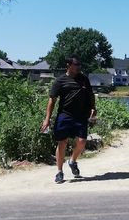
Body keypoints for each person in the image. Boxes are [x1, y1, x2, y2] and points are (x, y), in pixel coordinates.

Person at [41, 56, 97, 184]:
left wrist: (93, 108)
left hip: (81, 116)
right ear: (68, 65)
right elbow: (52, 100)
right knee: (62, 143)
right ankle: (59, 172)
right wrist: (47, 119)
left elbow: (90, 95)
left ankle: (72, 161)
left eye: (79, 65)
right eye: (76, 65)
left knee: (82, 142)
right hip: (65, 115)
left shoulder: (83, 79)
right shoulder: (60, 81)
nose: (78, 67)